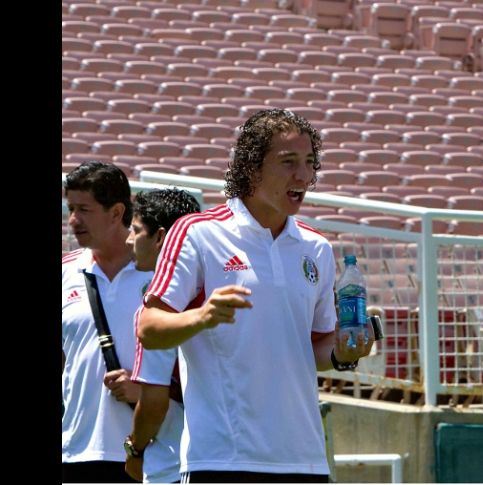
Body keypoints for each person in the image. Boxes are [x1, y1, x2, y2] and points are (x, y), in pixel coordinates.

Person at [137, 109, 374, 483]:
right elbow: (149, 328)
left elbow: (316, 346)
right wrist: (202, 317)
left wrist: (345, 352)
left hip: (306, 462)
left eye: (310, 162)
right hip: (222, 462)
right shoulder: (197, 233)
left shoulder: (316, 248)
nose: (304, 176)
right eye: (288, 162)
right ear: (250, 167)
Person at [62, 161, 146, 483]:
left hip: (150, 454)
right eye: (71, 208)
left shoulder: (161, 271)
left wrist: (147, 391)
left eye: (84, 209)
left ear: (116, 212)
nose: (73, 220)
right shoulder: (65, 272)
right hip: (75, 452)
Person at [124, 189, 201, 483]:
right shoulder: (216, 293)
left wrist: (134, 449)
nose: (129, 240)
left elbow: (154, 402)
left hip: (174, 464)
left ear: (160, 238)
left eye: (135, 230)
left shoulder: (156, 310)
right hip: (234, 457)